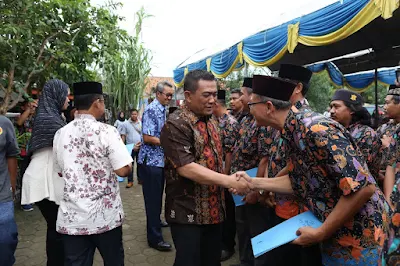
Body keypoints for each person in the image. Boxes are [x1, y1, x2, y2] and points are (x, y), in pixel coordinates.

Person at [234, 75, 390, 265]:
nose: (249, 110)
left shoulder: (316, 129)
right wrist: (253, 182)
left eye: (251, 105)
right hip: (336, 232)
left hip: (360, 238)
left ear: (268, 107)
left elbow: (363, 188)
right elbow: (300, 179)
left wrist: (320, 233)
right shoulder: (292, 130)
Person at [160, 69, 250, 266]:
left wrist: (228, 182)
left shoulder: (212, 120)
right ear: (188, 96)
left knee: (211, 260)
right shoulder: (176, 124)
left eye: (215, 95)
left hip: (215, 210)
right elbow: (186, 167)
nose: (212, 100)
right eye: (206, 95)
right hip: (187, 213)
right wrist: (228, 181)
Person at [53, 81, 132, 266]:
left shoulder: (60, 134)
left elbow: (59, 172)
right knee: (113, 261)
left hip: (73, 219)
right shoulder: (106, 131)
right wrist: (128, 166)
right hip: (105, 217)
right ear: (97, 102)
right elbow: (122, 169)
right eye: (103, 102)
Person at [264, 64, 322, 266]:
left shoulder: (306, 120)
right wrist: (270, 185)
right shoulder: (284, 114)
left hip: (300, 207)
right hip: (282, 196)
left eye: (281, 84)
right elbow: (291, 162)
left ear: (297, 88)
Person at [21, 79, 70, 266]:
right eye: (66, 94)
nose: (68, 99)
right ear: (56, 95)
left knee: (55, 228)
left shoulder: (52, 116)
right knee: (56, 229)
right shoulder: (50, 120)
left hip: (47, 181)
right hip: (43, 182)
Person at [231, 77, 272, 266]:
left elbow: (265, 158)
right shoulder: (247, 119)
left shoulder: (262, 122)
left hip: (253, 184)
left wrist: (256, 190)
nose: (239, 99)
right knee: (243, 229)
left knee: (256, 232)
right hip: (241, 185)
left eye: (242, 95)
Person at [138, 81, 174, 251]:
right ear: (158, 94)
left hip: (159, 162)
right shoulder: (152, 109)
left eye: (171, 95)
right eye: (167, 95)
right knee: (152, 201)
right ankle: (154, 238)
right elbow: (147, 137)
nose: (169, 98)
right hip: (151, 162)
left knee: (157, 197)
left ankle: (157, 222)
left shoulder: (162, 109)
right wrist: (169, 143)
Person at [330, 89, 390, 180]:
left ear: (351, 110)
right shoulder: (333, 130)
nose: (331, 111)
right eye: (331, 107)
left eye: (336, 107)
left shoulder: (365, 134)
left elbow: (360, 169)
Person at [213, 89, 239, 261]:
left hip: (226, 171)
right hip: (217, 171)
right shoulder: (214, 120)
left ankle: (228, 245)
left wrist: (226, 176)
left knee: (228, 210)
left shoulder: (229, 122)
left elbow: (229, 153)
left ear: (216, 103)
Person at [382, 84, 400, 264]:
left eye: (388, 103)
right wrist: (388, 200)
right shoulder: (395, 132)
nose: (384, 106)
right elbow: (390, 165)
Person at [0, 114, 19, 266]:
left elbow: (11, 154)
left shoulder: (4, 123)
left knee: (5, 242)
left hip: (2, 195)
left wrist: (12, 185)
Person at [16, 99, 38, 211]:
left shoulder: (36, 117)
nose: (32, 108)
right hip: (24, 152)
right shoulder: (21, 116)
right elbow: (19, 123)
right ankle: (25, 201)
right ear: (23, 107)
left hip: (34, 151)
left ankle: (32, 198)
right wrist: (29, 110)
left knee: (33, 175)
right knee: (25, 175)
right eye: (29, 106)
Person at [124, 109, 142, 188]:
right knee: (130, 165)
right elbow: (123, 136)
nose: (134, 116)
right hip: (130, 147)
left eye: (135, 114)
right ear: (130, 115)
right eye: (132, 114)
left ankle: (140, 179)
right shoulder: (126, 124)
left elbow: (143, 134)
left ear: (137, 115)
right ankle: (130, 181)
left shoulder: (140, 123)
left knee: (140, 164)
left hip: (140, 147)